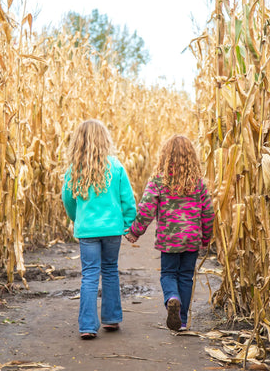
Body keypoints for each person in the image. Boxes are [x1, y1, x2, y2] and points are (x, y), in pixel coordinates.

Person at [125, 135, 214, 331]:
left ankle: (172, 298)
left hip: (169, 239)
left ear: (165, 156)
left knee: (168, 274)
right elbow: (208, 212)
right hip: (191, 239)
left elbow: (146, 208)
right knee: (185, 277)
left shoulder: (159, 180)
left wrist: (135, 231)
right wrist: (206, 238)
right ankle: (181, 321)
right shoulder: (197, 183)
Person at [62, 119, 136, 340]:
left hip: (88, 231)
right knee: (110, 270)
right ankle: (111, 318)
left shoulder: (74, 169)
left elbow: (68, 200)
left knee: (90, 275)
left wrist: (78, 219)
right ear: (104, 139)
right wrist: (127, 224)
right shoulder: (116, 166)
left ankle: (87, 325)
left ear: (79, 141)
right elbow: (128, 200)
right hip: (112, 229)